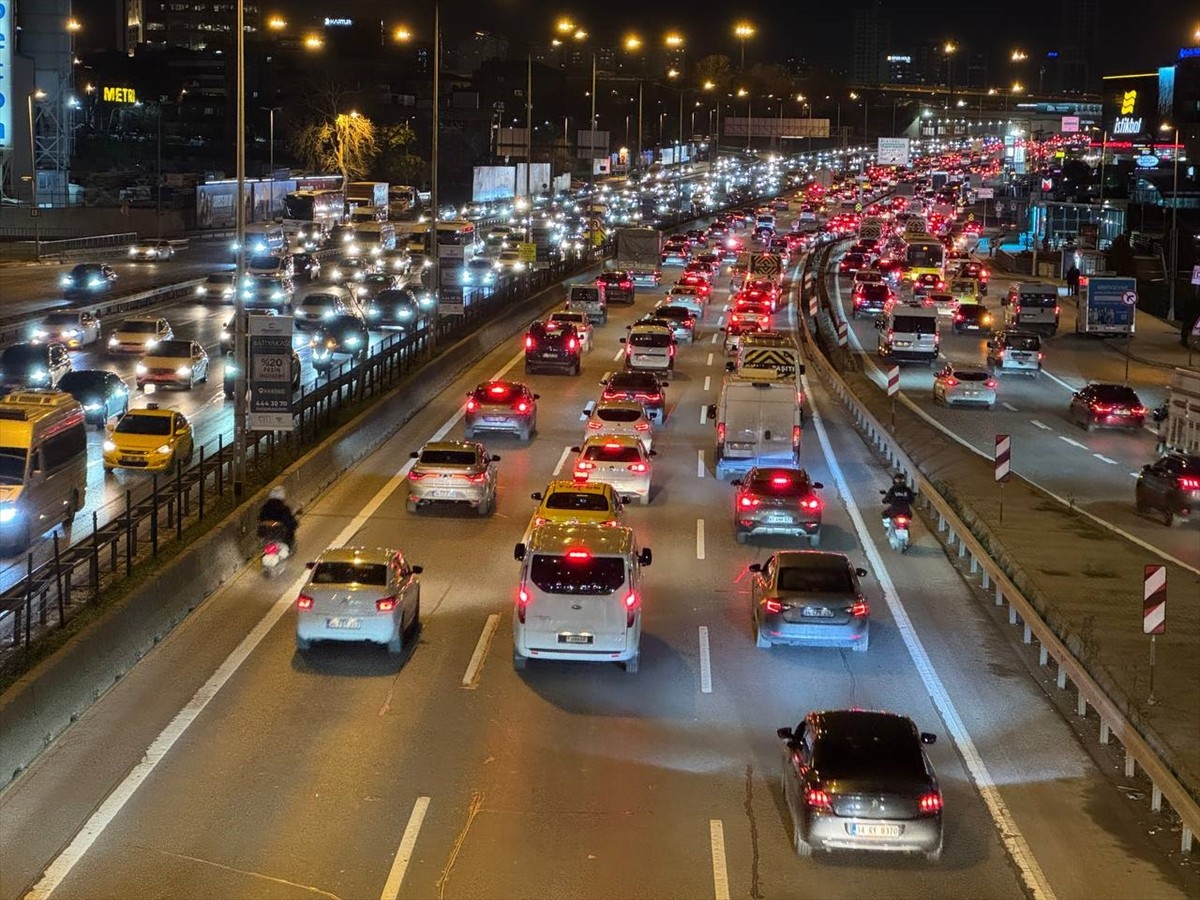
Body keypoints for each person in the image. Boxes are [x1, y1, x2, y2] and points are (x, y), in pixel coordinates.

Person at [258, 486, 298, 552]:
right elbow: (289, 522)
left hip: (265, 532)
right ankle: (288, 547)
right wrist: (294, 524)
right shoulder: (283, 508)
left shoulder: (265, 508)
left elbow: (260, 518)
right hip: (280, 534)